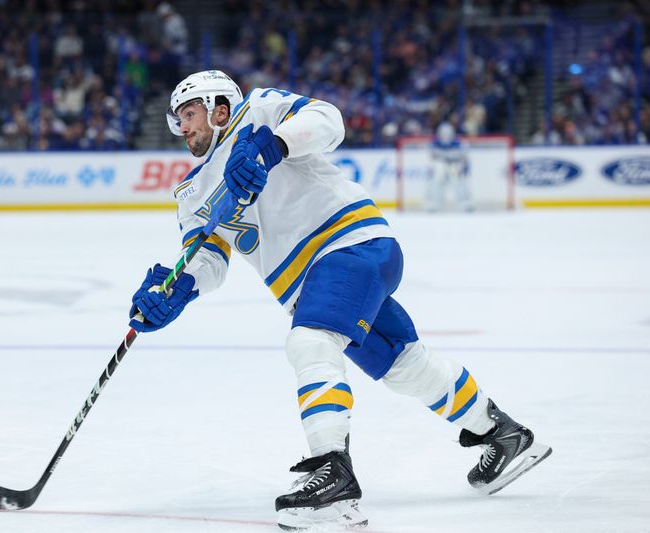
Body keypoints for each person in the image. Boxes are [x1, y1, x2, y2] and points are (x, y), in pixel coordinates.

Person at [128, 70, 551, 530]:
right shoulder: (191, 194)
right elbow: (207, 260)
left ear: (219, 107)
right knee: (405, 365)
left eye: (189, 114)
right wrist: (173, 290)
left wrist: (274, 146)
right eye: (178, 120)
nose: (182, 127)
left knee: (310, 343)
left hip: (349, 245)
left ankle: (334, 477)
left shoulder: (260, 111)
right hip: (319, 285)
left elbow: (329, 120)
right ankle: (503, 433)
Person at [427, 122, 473, 212]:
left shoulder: (457, 143)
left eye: (447, 133)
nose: (445, 135)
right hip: (440, 166)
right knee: (436, 181)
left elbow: (463, 154)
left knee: (458, 183)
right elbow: (432, 153)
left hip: (454, 166)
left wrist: (445, 155)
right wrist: (449, 155)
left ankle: (465, 204)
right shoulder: (435, 143)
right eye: (443, 133)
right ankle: (433, 204)